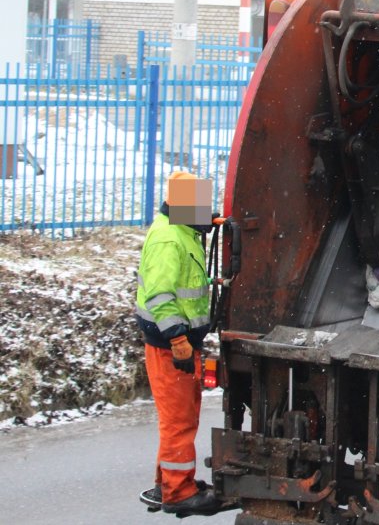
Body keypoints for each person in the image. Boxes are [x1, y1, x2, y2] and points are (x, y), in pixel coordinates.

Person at [135, 172, 223, 516]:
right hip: (171, 345)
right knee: (179, 421)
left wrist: (213, 223)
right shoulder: (168, 240)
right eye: (200, 206)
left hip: (179, 344)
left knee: (180, 418)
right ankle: (178, 492)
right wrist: (179, 340)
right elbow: (159, 294)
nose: (206, 211)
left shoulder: (181, 231)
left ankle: (168, 483)